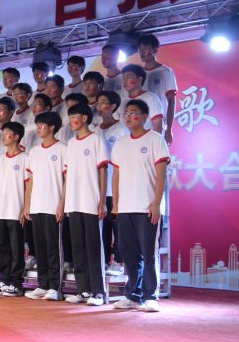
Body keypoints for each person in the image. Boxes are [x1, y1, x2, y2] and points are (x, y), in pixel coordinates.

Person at [111, 99, 170, 312]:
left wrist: (156, 203)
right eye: (126, 113)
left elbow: (161, 175)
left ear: (145, 117)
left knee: (148, 253)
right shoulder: (121, 143)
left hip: (147, 207)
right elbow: (116, 176)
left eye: (133, 112)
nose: (128, 116)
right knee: (129, 254)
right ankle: (132, 295)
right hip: (125, 208)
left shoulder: (156, 140)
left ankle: (150, 295)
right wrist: (116, 204)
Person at [63, 104, 108, 306]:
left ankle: (98, 292)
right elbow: (67, 176)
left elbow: (102, 172)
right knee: (78, 247)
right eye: (70, 116)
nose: (71, 120)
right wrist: (63, 202)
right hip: (74, 201)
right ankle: (83, 290)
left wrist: (102, 201)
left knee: (93, 248)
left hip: (91, 201)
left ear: (84, 118)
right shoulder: (71, 144)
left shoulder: (96, 140)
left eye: (74, 115)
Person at [23, 111, 65, 302]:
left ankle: (55, 287)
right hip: (37, 206)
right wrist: (27, 205)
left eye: (42, 126)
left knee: (53, 248)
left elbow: (66, 179)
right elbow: (30, 181)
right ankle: (43, 284)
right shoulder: (34, 151)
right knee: (39, 248)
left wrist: (62, 204)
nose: (38, 129)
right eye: (37, 125)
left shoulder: (62, 149)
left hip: (53, 205)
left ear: (52, 127)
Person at [0, 122, 29, 297]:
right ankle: (4, 281)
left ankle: (16, 283)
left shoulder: (25, 158)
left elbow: (28, 185)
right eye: (3, 133)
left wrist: (25, 207)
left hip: (15, 209)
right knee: (1, 247)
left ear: (17, 136)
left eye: (7, 133)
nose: (3, 137)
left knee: (15, 248)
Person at [96, 91, 128, 276]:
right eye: (98, 103)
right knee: (103, 229)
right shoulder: (95, 129)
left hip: (115, 187)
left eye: (104, 102)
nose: (100, 106)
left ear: (113, 106)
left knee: (118, 227)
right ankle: (104, 260)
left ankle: (119, 261)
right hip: (99, 188)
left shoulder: (121, 130)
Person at [138, 34, 178, 145]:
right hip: (139, 124)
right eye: (139, 49)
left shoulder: (166, 72)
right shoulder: (138, 74)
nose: (141, 52)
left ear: (155, 49)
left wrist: (169, 129)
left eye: (145, 48)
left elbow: (171, 102)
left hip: (158, 124)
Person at [122, 64, 164, 133]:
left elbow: (158, 127)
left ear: (140, 79)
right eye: (123, 78)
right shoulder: (123, 102)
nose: (125, 81)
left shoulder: (151, 98)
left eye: (128, 77)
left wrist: (155, 140)